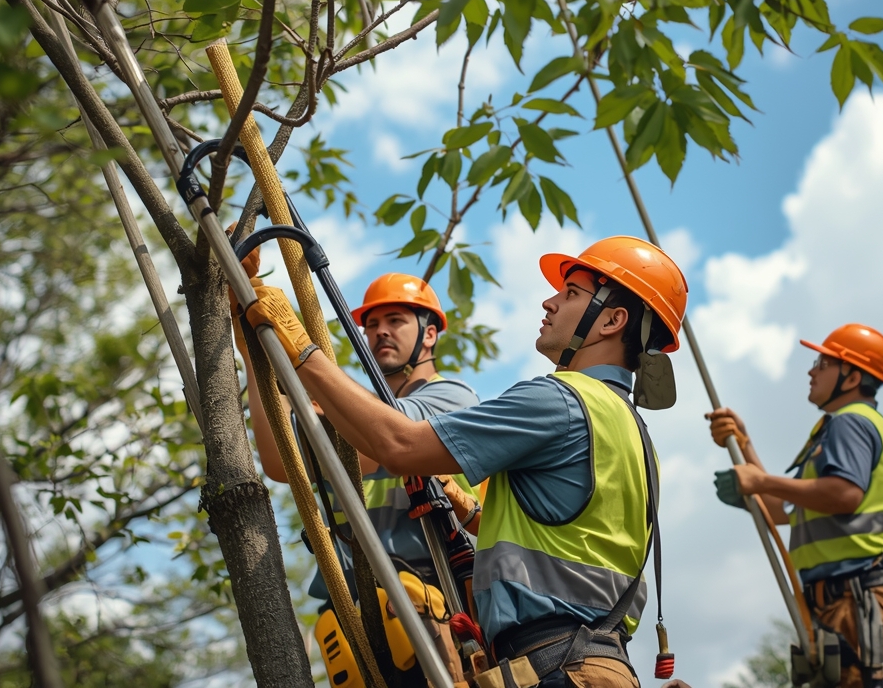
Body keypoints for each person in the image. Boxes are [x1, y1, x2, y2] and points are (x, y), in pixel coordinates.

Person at [239, 236, 688, 688]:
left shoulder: (559, 400)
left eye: (571, 293)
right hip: (588, 661)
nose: (550, 302)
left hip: (555, 663)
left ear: (612, 320)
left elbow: (398, 443)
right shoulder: (632, 430)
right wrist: (472, 513)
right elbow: (572, 539)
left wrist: (301, 349)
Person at [232, 269, 481, 685]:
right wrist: (253, 346)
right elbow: (279, 458)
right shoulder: (349, 418)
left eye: (395, 320)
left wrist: (305, 361)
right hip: (354, 612)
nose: (380, 331)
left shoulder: (453, 397)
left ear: (429, 334)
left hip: (433, 602)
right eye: (372, 324)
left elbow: (390, 439)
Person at [709, 325, 883, 688]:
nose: (811, 371)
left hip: (860, 599)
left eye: (822, 363)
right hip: (847, 602)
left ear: (853, 377)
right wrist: (744, 445)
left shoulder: (851, 423)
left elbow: (843, 495)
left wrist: (761, 482)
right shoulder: (846, 428)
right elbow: (784, 510)